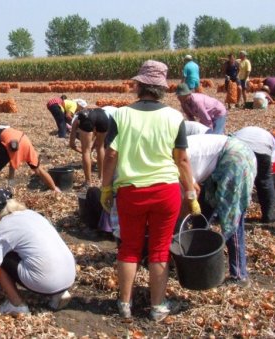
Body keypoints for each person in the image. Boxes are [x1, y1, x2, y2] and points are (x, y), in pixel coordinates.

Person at [100, 60, 198, 322]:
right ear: (162, 89)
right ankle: (157, 307)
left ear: (139, 85)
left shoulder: (121, 115)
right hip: (166, 192)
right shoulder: (174, 117)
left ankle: (124, 304)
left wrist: (106, 188)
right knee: (159, 249)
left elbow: (110, 155)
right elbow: (182, 160)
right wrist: (190, 193)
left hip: (131, 192)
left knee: (129, 248)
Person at [0, 188, 76, 315]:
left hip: (46, 281)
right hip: (69, 275)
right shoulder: (31, 214)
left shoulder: (0, 232)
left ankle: (16, 304)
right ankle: (59, 294)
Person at [186, 134, 256, 287]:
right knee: (202, 212)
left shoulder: (174, 160)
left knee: (231, 216)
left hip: (234, 158)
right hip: (222, 158)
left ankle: (239, 275)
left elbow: (192, 189)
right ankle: (196, 257)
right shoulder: (169, 155)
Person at [0, 125, 60, 203]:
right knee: (38, 170)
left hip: (11, 143)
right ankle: (55, 189)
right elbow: (12, 158)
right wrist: (10, 184)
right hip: (25, 141)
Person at [233, 126, 275, 223]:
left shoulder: (239, 132)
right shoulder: (271, 139)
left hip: (239, 148)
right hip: (262, 151)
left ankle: (229, 215)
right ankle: (269, 215)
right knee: (265, 181)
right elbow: (271, 162)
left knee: (235, 180)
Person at [68, 108, 110, 187]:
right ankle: (101, 177)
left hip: (88, 117)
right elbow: (95, 142)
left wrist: (82, 151)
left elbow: (72, 144)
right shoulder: (97, 111)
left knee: (86, 151)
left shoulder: (76, 119)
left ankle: (88, 181)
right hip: (104, 116)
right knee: (100, 147)